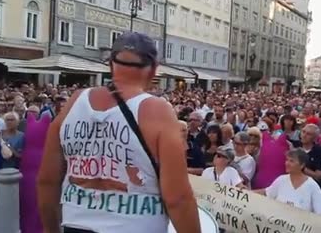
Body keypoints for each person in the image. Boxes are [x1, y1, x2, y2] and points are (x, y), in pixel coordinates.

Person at [37, 32, 201, 233]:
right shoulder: (157, 110)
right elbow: (178, 198)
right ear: (153, 70)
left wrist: (50, 229)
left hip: (76, 224)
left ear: (110, 64)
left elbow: (47, 180)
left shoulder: (74, 102)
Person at [255, 149, 321, 217]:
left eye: (291, 161)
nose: (287, 163)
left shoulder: (311, 185)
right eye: (287, 160)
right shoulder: (281, 180)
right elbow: (266, 193)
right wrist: (245, 192)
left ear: (302, 165)